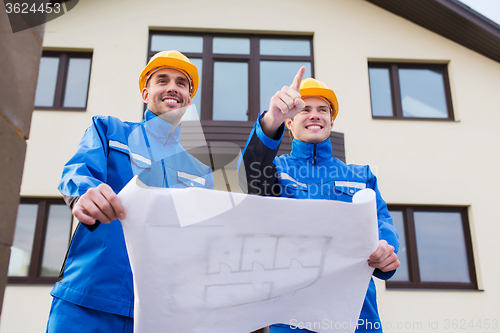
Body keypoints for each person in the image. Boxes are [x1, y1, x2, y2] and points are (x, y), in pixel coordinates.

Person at [46, 50, 214, 332]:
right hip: (87, 300)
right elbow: (78, 171)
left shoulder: (200, 171)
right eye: (163, 80)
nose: (172, 87)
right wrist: (84, 193)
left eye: (182, 83)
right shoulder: (109, 131)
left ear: (188, 100)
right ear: (146, 93)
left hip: (159, 314)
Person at [238, 67, 400, 333]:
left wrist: (385, 249)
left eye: (322, 109)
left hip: (358, 318)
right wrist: (272, 119)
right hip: (290, 319)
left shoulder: (361, 176)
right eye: (305, 109)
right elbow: (248, 175)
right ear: (289, 122)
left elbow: (382, 225)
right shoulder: (276, 171)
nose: (314, 114)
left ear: (331, 122)